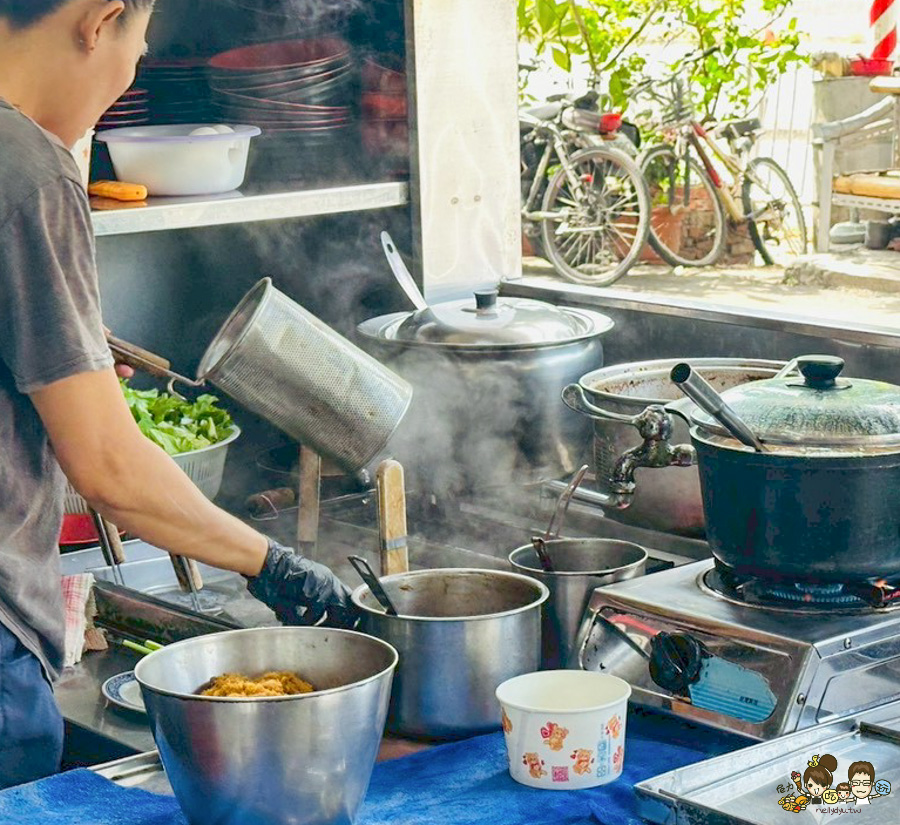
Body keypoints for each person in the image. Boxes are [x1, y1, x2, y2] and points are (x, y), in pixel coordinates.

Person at [0, 0, 356, 789]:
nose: (127, 75)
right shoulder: (24, 169)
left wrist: (58, 383)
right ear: (101, 20)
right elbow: (110, 469)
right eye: (140, 48)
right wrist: (275, 564)